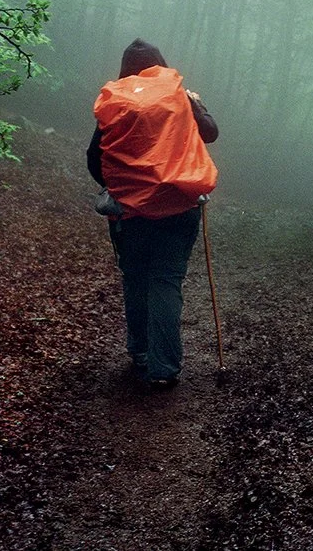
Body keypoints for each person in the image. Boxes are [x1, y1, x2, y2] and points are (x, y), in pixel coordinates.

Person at [86, 38, 219, 389]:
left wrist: (124, 186)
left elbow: (94, 159)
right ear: (160, 63)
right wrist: (198, 106)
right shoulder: (179, 96)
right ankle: (164, 368)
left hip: (129, 213)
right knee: (165, 279)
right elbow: (211, 134)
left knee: (135, 277)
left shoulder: (116, 102)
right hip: (180, 205)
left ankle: (141, 352)